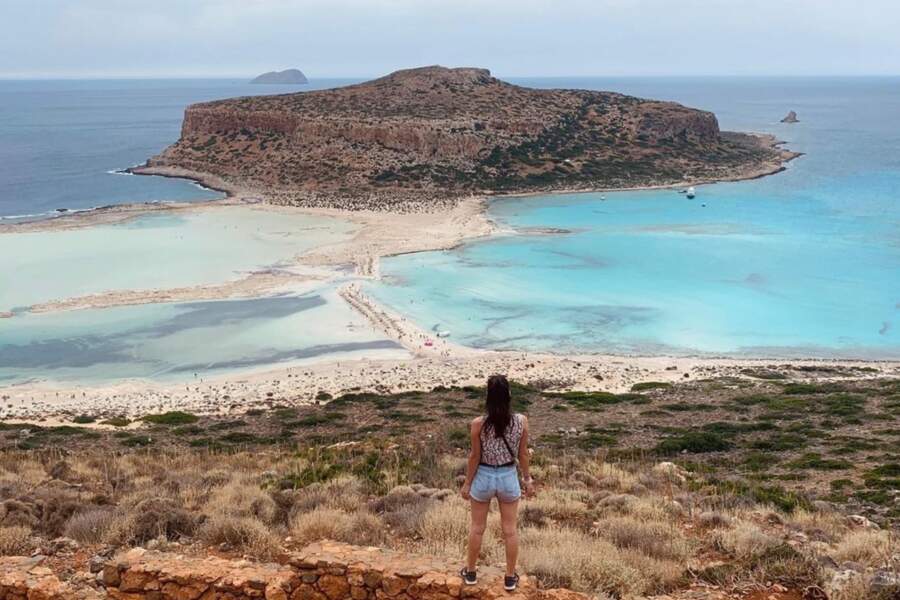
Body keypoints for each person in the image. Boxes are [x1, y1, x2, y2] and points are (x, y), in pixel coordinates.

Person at [460, 374, 534, 591]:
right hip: (508, 476)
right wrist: (527, 479)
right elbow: (523, 455)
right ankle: (510, 578)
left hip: (483, 476)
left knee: (477, 528)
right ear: (509, 395)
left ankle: (471, 572)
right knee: (510, 530)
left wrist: (467, 484)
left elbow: (474, 456)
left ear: (488, 397)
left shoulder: (478, 424)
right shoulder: (521, 422)